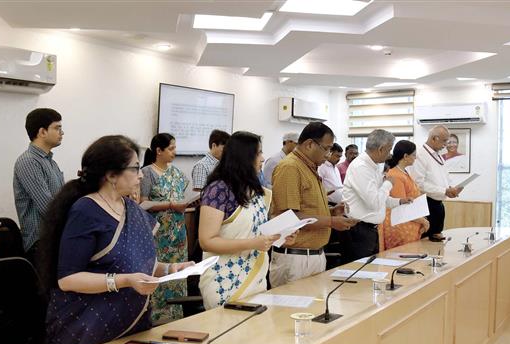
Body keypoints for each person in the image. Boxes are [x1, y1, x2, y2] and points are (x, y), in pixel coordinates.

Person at [39, 135, 193, 344]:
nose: (141, 175)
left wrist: (170, 269)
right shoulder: (86, 211)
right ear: (111, 175)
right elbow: (68, 279)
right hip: (91, 328)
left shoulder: (131, 208)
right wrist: (125, 281)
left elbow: (138, 262)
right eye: (135, 168)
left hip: (134, 325)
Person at [198, 131, 286, 309]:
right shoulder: (218, 190)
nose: (262, 158)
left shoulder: (257, 191)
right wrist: (253, 243)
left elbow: (260, 232)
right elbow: (207, 241)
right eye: (259, 153)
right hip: (225, 280)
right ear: (245, 157)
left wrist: (282, 236)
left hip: (256, 277)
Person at [270, 122, 357, 287]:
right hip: (296, 257)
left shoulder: (309, 166)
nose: (328, 154)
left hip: (313, 255)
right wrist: (331, 222)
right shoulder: (291, 167)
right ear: (309, 144)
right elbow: (290, 217)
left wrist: (331, 212)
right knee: (291, 311)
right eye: (326, 149)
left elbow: (306, 208)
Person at [140, 133, 190, 323]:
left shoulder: (176, 173)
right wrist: (169, 204)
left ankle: (177, 315)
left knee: (178, 272)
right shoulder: (146, 173)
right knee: (159, 270)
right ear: (158, 151)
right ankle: (157, 316)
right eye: (171, 148)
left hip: (177, 232)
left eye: (175, 148)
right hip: (158, 232)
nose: (174, 152)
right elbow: (142, 203)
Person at [342, 129, 413, 261]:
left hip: (370, 230)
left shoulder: (375, 166)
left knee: (371, 273)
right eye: (389, 150)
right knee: (360, 275)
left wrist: (399, 202)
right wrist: (388, 184)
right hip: (359, 230)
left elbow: (381, 199)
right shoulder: (361, 167)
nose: (390, 154)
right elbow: (374, 202)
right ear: (381, 149)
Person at [13, 108, 65, 264]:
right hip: (40, 242)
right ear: (42, 132)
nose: (62, 133)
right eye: (57, 128)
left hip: (54, 238)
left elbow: (61, 200)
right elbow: (48, 207)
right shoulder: (29, 161)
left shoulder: (51, 162)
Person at [411, 125, 461, 242]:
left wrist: (450, 188)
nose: (446, 145)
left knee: (437, 243)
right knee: (425, 244)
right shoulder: (420, 155)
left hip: (438, 204)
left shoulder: (438, 155)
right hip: (426, 204)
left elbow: (444, 177)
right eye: (444, 141)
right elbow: (419, 184)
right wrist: (444, 191)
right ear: (434, 138)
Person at [380, 140, 430, 250]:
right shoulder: (395, 175)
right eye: (414, 155)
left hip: (411, 222)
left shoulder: (403, 172)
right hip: (401, 226)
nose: (415, 158)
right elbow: (401, 206)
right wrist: (423, 221)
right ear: (405, 156)